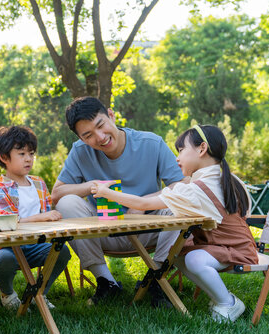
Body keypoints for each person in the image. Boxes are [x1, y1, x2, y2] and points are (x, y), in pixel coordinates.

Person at [91, 124, 258, 322]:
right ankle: (220, 298)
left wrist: (107, 194)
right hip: (233, 245)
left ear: (202, 149)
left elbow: (145, 203)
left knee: (194, 259)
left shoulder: (195, 189)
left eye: (181, 150)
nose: (177, 158)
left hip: (236, 250)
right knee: (177, 254)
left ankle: (228, 303)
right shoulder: (228, 178)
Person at [52, 96, 184, 306]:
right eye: (88, 135)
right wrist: (92, 185)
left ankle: (156, 279)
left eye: (101, 125)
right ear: (81, 138)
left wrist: (139, 204)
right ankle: (106, 281)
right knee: (67, 203)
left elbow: (181, 187)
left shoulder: (151, 143)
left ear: (111, 115)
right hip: (103, 230)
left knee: (179, 208)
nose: (100, 137)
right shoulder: (80, 151)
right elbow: (57, 194)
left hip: (149, 229)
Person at [0, 126, 71, 311]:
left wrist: (51, 218)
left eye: (31, 153)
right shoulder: (0, 190)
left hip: (36, 244)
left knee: (62, 252)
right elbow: (6, 224)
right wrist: (42, 217)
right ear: (4, 157)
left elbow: (48, 221)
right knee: (3, 260)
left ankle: (38, 293)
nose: (28, 158)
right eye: (21, 153)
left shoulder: (38, 183)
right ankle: (8, 294)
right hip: (9, 247)